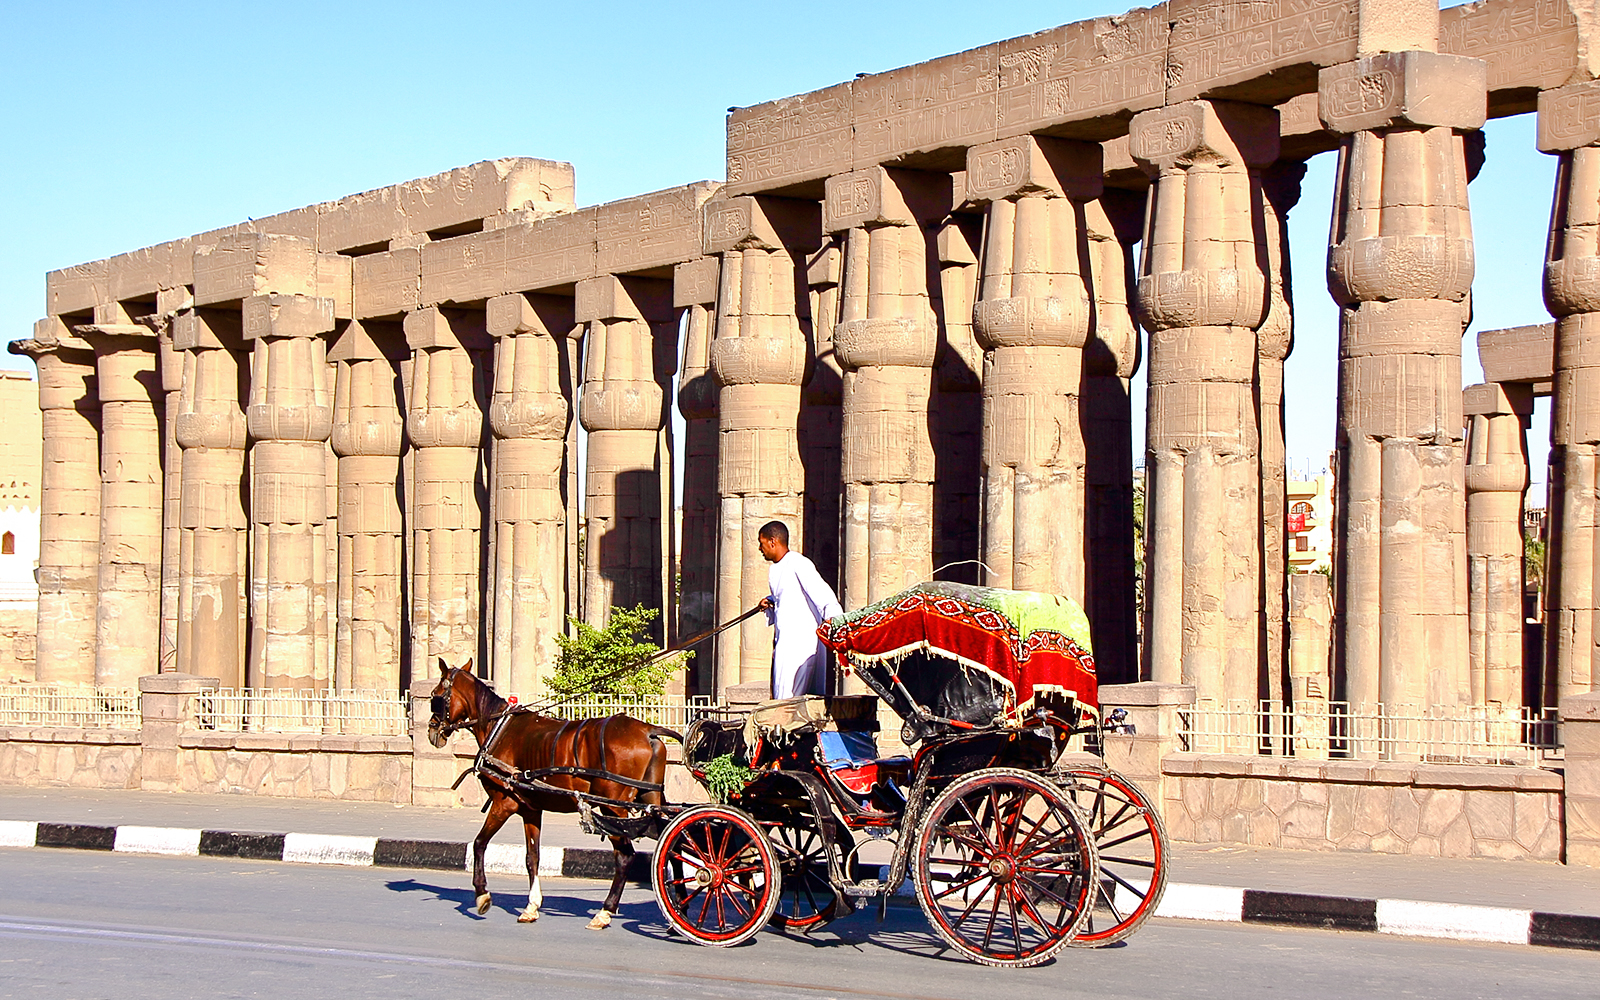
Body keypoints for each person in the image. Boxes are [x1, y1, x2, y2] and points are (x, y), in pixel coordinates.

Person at [755, 520, 844, 699]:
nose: (760, 548)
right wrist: (771, 600)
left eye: (761, 543)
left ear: (773, 542)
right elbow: (790, 595)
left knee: (788, 697)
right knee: (784, 694)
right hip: (786, 640)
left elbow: (823, 595)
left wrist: (837, 625)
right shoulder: (777, 568)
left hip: (800, 642)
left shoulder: (798, 563)